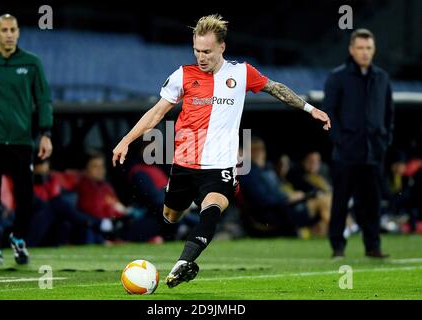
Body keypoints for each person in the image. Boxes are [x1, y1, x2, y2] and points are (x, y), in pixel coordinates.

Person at [112, 14, 330, 288]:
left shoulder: (241, 73)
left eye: (206, 51)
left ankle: (184, 261)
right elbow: (156, 113)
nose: (200, 57)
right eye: (196, 50)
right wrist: (126, 140)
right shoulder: (183, 75)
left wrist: (311, 109)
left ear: (221, 48)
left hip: (220, 166)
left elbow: (276, 89)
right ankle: (185, 211)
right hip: (184, 164)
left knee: (213, 205)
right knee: (170, 216)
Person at [0, 14, 53, 266]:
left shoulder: (31, 63)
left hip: (20, 142)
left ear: (18, 33)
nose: (9, 34)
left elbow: (43, 99)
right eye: (4, 29)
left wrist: (46, 134)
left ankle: (18, 238)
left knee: (26, 197)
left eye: (13, 29)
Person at [322, 28, 394, 258]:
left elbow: (388, 113)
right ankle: (338, 248)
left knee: (371, 202)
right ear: (352, 49)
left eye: (369, 48)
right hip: (346, 152)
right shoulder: (338, 76)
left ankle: (373, 247)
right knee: (341, 201)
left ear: (374, 50)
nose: (365, 53)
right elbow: (329, 111)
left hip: (373, 152)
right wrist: (341, 141)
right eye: (361, 48)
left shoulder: (382, 77)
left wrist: (384, 141)